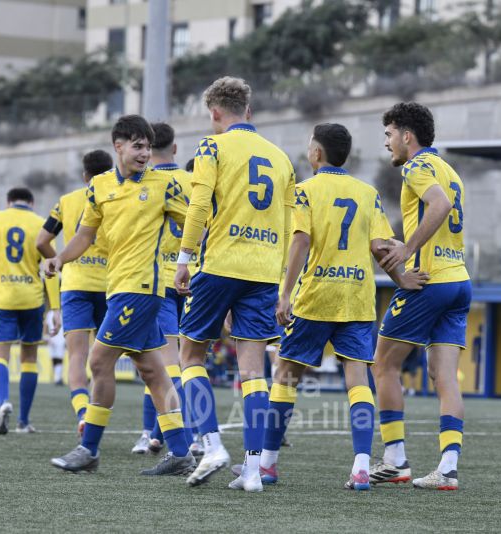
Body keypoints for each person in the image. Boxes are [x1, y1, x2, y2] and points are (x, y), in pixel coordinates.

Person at [258, 123, 427, 491]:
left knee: (286, 375)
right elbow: (381, 246)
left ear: (317, 153)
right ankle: (362, 466)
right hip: (356, 297)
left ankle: (267, 464)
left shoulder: (305, 191)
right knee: (358, 381)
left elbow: (300, 241)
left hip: (316, 296)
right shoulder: (367, 193)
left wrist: (284, 293)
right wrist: (402, 280)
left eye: (309, 146)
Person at [47, 115, 195, 475]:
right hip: (118, 287)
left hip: (142, 289)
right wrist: (59, 259)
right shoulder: (99, 186)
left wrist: (189, 259)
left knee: (98, 363)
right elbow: (84, 234)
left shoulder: (163, 185)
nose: (145, 153)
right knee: (152, 371)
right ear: (118, 146)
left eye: (148, 146)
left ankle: (89, 449)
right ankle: (181, 452)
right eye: (138, 146)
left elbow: (194, 221)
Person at [174, 77, 295, 491]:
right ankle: (252, 470)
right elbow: (288, 223)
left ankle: (211, 446)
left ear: (215, 115)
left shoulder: (213, 145)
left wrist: (184, 259)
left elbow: (199, 204)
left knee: (190, 355)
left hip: (221, 262)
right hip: (263, 272)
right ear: (249, 111)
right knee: (253, 372)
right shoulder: (281, 159)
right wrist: (281, 281)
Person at [370, 102, 472, 491]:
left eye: (389, 134)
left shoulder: (416, 166)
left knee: (383, 365)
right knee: (444, 376)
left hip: (428, 282)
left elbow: (439, 206)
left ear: (406, 136)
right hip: (459, 280)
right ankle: (447, 468)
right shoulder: (449, 170)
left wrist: (407, 249)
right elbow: (446, 209)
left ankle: (395, 460)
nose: (387, 143)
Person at [130, 122, 200, 457]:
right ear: (175, 149)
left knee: (160, 361)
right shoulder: (195, 181)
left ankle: (155, 433)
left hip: (158, 280)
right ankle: (191, 435)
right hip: (196, 278)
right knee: (191, 363)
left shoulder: (142, 183)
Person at [37, 150, 113, 434]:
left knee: (77, 356)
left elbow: (42, 240)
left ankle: (82, 411)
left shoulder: (66, 202)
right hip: (111, 286)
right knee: (108, 359)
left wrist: (58, 259)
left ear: (84, 176)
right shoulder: (117, 197)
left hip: (76, 285)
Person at [0, 187, 60, 435]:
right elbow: (51, 266)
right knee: (29, 359)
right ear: (32, 203)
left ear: (8, 202)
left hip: (2, 297)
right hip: (32, 299)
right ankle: (23, 421)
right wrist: (55, 306)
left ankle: (3, 401)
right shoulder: (41, 224)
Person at [44, 309, 65, 386]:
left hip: (59, 338)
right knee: (55, 359)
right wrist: (45, 336)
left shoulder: (51, 313)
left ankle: (58, 377)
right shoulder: (50, 313)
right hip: (53, 338)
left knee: (58, 358)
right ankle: (57, 377)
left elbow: (45, 325)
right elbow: (45, 325)